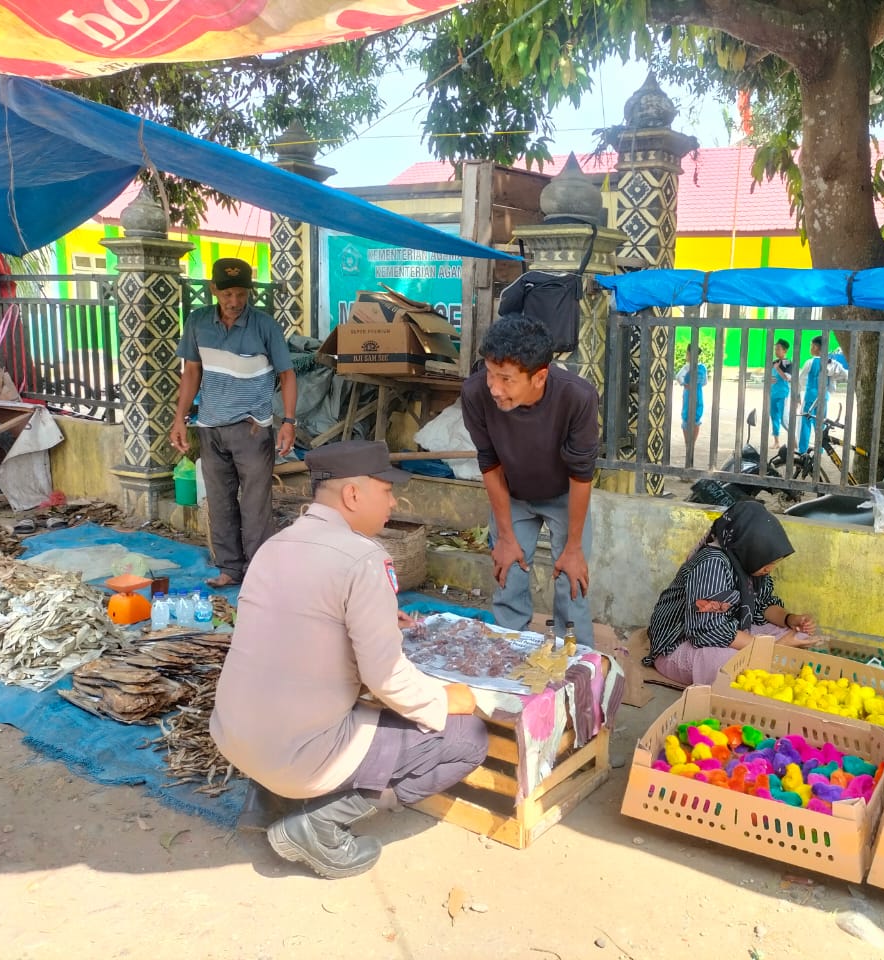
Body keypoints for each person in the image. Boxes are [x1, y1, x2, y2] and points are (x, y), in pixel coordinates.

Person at [210, 440, 487, 879]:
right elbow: (385, 677)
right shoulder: (364, 557)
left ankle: (263, 800)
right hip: (297, 754)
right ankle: (318, 824)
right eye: (386, 491)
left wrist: (372, 617)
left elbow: (289, 627)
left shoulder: (274, 545)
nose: (393, 502)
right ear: (353, 495)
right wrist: (445, 700)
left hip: (235, 736)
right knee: (467, 737)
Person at [460, 314, 600, 646]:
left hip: (564, 494)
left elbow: (582, 476)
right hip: (513, 494)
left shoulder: (577, 398)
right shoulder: (475, 393)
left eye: (506, 379)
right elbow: (489, 463)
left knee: (571, 577)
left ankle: (576, 657)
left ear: (539, 377)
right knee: (508, 572)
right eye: (490, 373)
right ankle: (510, 653)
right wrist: (506, 537)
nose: (494, 387)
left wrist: (574, 547)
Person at [171, 257, 298, 589]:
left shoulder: (265, 325)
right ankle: (229, 567)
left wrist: (288, 422)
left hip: (252, 427)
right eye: (227, 294)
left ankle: (257, 571)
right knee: (219, 500)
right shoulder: (198, 322)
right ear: (214, 289)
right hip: (210, 426)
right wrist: (180, 419)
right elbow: (191, 373)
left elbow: (287, 374)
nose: (234, 302)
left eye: (241, 294)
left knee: (256, 505)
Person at [645, 499, 817, 686]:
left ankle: (766, 655)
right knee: (728, 664)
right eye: (767, 562)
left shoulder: (750, 561)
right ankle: (764, 658)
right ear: (748, 547)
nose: (769, 569)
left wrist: (791, 619)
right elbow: (708, 630)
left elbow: (763, 604)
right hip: (681, 642)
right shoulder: (711, 564)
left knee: (799, 636)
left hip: (729, 628)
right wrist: (773, 648)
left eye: (774, 563)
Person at [797, 336, 841, 455]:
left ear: (816, 347)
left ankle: (802, 450)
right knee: (820, 422)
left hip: (811, 395)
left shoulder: (810, 362)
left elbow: (801, 379)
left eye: (812, 346)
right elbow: (837, 378)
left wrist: (799, 392)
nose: (811, 348)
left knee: (805, 421)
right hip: (823, 396)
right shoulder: (830, 363)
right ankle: (820, 448)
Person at [676, 351, 708, 451]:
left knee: (686, 416)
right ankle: (692, 444)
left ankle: (687, 444)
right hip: (698, 393)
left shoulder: (687, 367)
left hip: (688, 393)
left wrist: (685, 385)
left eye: (687, 353)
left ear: (690, 354)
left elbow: (678, 377)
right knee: (697, 417)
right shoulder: (703, 367)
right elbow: (705, 382)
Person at [768, 339, 793, 442]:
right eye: (775, 349)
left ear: (785, 350)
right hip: (773, 393)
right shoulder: (773, 362)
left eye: (778, 349)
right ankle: (776, 441)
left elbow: (788, 378)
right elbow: (769, 377)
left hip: (783, 394)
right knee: (774, 416)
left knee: (783, 419)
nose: (776, 351)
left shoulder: (788, 363)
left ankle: (794, 441)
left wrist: (778, 369)